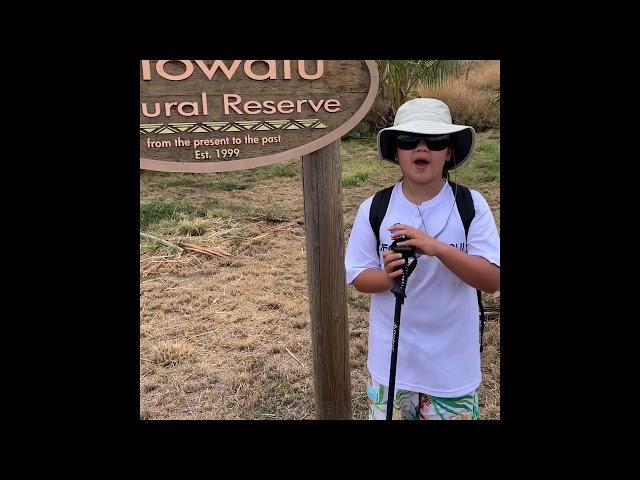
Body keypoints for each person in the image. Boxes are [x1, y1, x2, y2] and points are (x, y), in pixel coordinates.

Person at [344, 98, 500, 420]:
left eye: (436, 141)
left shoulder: (471, 205)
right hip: (392, 366)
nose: (422, 148)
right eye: (408, 140)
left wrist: (438, 248)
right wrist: (387, 278)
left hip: (452, 370)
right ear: (397, 152)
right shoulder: (374, 208)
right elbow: (358, 276)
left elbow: (492, 279)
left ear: (449, 152)